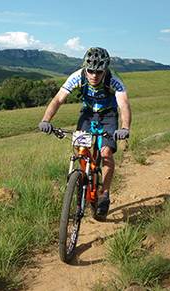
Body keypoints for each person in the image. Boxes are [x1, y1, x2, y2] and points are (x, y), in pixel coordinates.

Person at [38, 47, 131, 220]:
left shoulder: (114, 80)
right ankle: (81, 179)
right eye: (91, 71)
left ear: (105, 70)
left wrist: (124, 128)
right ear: (85, 68)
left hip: (108, 116)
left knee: (106, 153)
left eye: (99, 71)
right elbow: (58, 99)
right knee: (81, 149)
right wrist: (46, 120)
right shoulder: (77, 76)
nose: (94, 75)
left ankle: (104, 193)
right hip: (87, 115)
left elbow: (124, 105)